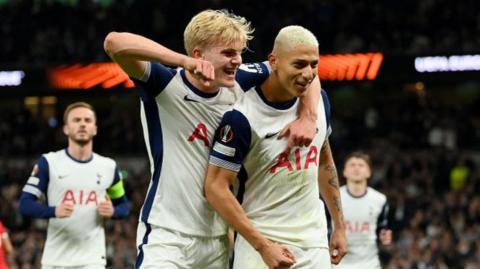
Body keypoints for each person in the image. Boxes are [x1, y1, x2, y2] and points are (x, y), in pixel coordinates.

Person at [103, 9, 320, 269]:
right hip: (167, 235)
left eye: (239, 53)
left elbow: (303, 70)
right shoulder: (164, 85)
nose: (237, 61)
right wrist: (182, 62)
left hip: (217, 239)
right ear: (198, 54)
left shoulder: (243, 80)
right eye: (228, 53)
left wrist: (308, 116)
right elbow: (114, 42)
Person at [205, 25, 347, 269]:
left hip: (314, 245)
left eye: (314, 64)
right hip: (260, 247)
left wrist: (340, 226)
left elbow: (324, 163)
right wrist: (263, 246)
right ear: (273, 61)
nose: (308, 74)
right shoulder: (241, 117)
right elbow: (215, 187)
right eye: (299, 64)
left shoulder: (319, 102)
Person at [18, 102, 130, 269]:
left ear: (95, 128)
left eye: (87, 120)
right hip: (55, 259)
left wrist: (113, 211)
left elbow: (124, 205)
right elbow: (24, 204)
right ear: (66, 128)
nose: (82, 124)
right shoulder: (49, 162)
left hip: (93, 260)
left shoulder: (108, 167)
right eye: (76, 120)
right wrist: (53, 211)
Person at [333, 151, 392, 269]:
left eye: (361, 165)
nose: (356, 168)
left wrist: (385, 236)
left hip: (369, 263)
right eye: (352, 165)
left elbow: (382, 227)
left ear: (369, 172)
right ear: (344, 171)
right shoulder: (333, 197)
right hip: (339, 264)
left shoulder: (380, 200)